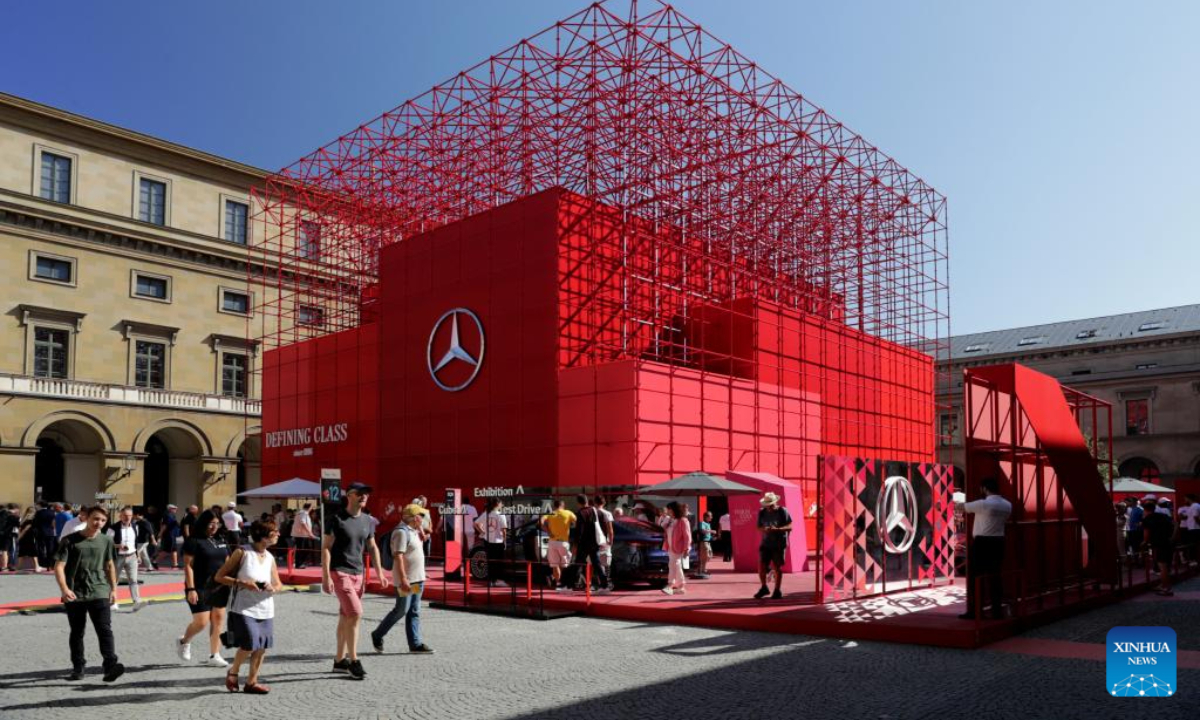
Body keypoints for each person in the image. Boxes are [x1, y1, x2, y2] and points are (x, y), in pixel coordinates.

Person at [322, 482, 389, 681]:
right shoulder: (336, 518)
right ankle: (353, 661)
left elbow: (372, 546)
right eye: (359, 493)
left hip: (358, 574)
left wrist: (380, 572)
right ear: (349, 496)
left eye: (366, 493)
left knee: (345, 616)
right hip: (340, 572)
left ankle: (339, 661)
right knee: (356, 613)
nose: (363, 497)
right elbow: (326, 547)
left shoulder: (368, 520)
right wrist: (325, 576)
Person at [54, 505, 124, 682]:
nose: (98, 523)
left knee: (104, 629)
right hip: (75, 593)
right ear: (87, 518)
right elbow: (59, 567)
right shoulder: (70, 540)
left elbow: (109, 566)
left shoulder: (106, 541)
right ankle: (78, 667)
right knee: (77, 631)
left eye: (102, 520)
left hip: (100, 590)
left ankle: (110, 667)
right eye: (95, 519)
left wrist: (114, 589)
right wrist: (64, 589)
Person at [215, 520, 282, 694]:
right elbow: (219, 576)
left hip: (266, 607)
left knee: (261, 647)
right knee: (250, 643)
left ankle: (252, 682)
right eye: (275, 531)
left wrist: (272, 588)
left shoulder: (270, 557)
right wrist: (242, 583)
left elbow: (278, 584)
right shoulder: (242, 552)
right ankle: (233, 672)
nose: (278, 534)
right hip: (243, 608)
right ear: (264, 536)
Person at [371, 504, 435, 654]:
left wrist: (421, 529)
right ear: (412, 517)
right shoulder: (401, 532)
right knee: (401, 610)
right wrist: (404, 579)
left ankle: (415, 644)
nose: (423, 519)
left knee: (414, 610)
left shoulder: (413, 531)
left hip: (418, 578)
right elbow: (398, 557)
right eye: (421, 516)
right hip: (406, 579)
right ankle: (377, 634)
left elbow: (420, 546)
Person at [178, 510, 232, 667]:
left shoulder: (221, 539)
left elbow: (228, 562)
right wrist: (191, 589)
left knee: (218, 620)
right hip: (200, 586)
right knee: (201, 622)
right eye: (211, 524)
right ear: (203, 523)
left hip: (219, 587)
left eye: (217, 523)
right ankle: (184, 641)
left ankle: (214, 655)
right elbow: (188, 566)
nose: (214, 527)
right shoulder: (193, 540)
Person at [957, 477, 1013, 620]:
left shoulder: (983, 504)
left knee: (975, 578)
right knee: (995, 576)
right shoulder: (1008, 505)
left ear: (984, 488)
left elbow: (961, 507)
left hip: (982, 542)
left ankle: (975, 611)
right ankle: (996, 611)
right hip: (999, 542)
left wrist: (942, 504)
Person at [106, 507, 147, 611]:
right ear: (120, 516)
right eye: (124, 515)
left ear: (132, 516)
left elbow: (135, 542)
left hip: (132, 556)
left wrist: (137, 555)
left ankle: (136, 602)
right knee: (113, 580)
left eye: (129, 515)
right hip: (117, 557)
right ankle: (113, 602)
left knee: (133, 580)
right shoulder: (113, 528)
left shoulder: (135, 526)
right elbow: (107, 543)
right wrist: (118, 545)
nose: (127, 517)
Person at [754, 493, 792, 600]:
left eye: (770, 505)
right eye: (767, 505)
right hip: (766, 543)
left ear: (775, 503)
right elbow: (758, 527)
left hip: (779, 544)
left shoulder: (782, 511)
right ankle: (764, 587)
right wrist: (765, 529)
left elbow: (790, 526)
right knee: (761, 565)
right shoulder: (762, 512)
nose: (768, 507)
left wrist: (777, 529)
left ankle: (777, 590)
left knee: (777, 567)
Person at [570, 494, 610, 593]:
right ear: (587, 501)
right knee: (596, 564)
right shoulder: (595, 511)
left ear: (578, 503)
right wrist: (603, 539)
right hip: (594, 543)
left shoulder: (581, 513)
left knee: (578, 563)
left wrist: (575, 545)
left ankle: (569, 584)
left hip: (584, 543)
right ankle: (604, 585)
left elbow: (579, 531)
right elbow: (603, 526)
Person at [1141, 495, 1175, 596]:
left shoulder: (1147, 520)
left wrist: (1143, 543)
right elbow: (1175, 524)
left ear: (1145, 510)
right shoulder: (1164, 516)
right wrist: (1172, 537)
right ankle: (1162, 584)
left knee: (1162, 567)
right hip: (1168, 543)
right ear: (1154, 508)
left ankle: (1166, 589)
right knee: (1166, 566)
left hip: (1159, 544)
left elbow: (1146, 536)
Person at [540, 499, 575, 591]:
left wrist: (548, 531)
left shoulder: (551, 513)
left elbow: (541, 521)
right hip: (563, 542)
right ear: (563, 505)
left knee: (555, 564)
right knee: (565, 564)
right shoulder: (568, 513)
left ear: (554, 506)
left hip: (552, 542)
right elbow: (577, 522)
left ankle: (558, 583)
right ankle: (564, 583)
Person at [474, 498, 509, 588]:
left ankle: (491, 581)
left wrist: (483, 532)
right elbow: (504, 530)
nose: (502, 504)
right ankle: (499, 580)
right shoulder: (501, 515)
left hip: (487, 541)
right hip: (498, 541)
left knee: (490, 562)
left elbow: (475, 523)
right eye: (501, 503)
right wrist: (505, 541)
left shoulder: (486, 513)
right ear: (497, 504)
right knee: (499, 562)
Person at [662, 502, 693, 595]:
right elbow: (663, 528)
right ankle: (677, 586)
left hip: (679, 547)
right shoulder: (671, 520)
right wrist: (666, 521)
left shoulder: (683, 520)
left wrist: (687, 548)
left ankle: (674, 585)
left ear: (674, 509)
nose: (668, 511)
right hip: (670, 547)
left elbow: (687, 536)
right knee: (673, 565)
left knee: (675, 564)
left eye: (669, 509)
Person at [594, 496, 615, 589]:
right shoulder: (607, 513)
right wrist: (611, 541)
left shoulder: (591, 513)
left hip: (593, 541)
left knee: (594, 564)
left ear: (595, 502)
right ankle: (606, 583)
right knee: (605, 563)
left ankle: (595, 584)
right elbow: (610, 530)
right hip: (603, 541)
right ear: (604, 503)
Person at [17, 506, 44, 572]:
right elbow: (26, 529)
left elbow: (20, 528)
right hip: (30, 537)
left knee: (22, 552)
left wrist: (20, 536)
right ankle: (37, 567)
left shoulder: (23, 518)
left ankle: (19, 567)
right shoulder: (32, 519)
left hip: (23, 538)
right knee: (33, 552)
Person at [291, 502, 316, 568]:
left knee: (306, 548)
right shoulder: (303, 513)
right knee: (301, 549)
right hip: (301, 535)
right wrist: (310, 533)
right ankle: (299, 564)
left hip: (303, 534)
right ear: (309, 507)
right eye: (311, 507)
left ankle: (300, 563)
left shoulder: (304, 513)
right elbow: (303, 523)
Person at [695, 511, 715, 576]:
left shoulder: (708, 524)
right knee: (705, 556)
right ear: (706, 517)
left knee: (709, 556)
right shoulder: (702, 523)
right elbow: (702, 531)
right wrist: (711, 531)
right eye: (710, 516)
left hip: (708, 542)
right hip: (703, 542)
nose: (711, 517)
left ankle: (703, 569)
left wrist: (712, 537)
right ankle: (702, 570)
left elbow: (707, 534)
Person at [0, 503, 17, 571]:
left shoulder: (2, 514)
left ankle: (3, 566)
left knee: (2, 551)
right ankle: (5, 566)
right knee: (6, 550)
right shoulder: (8, 514)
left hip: (2, 535)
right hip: (7, 535)